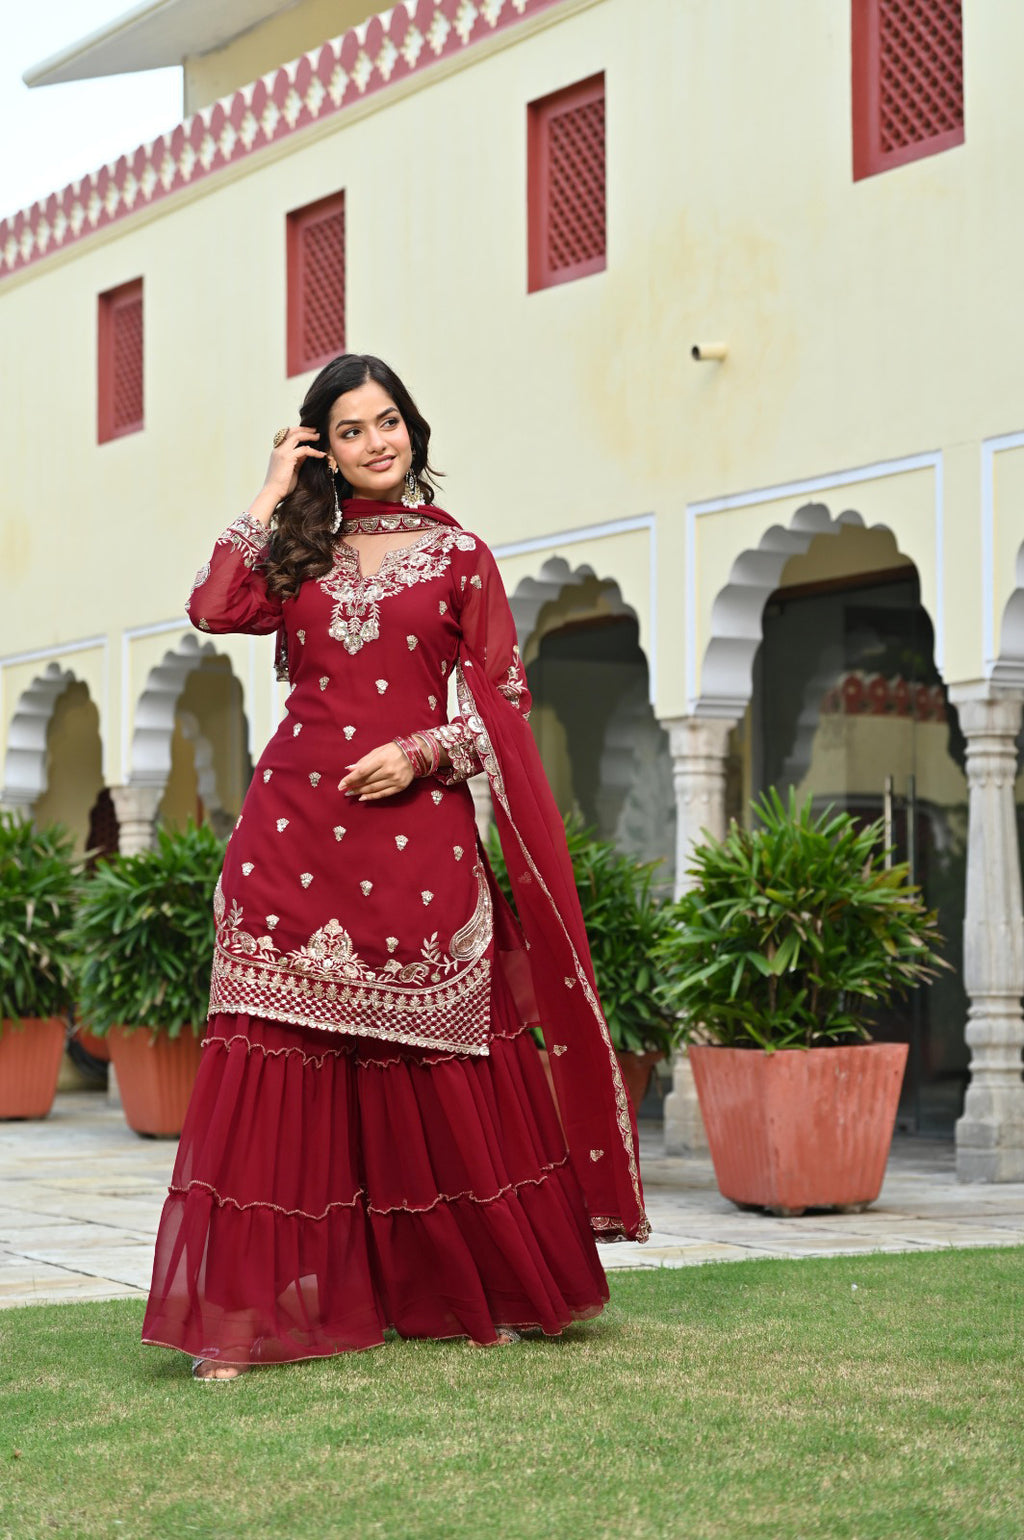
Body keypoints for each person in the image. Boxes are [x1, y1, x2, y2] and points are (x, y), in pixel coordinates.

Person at [141, 353, 648, 1380]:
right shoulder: (299, 554)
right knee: (274, 1068)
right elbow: (214, 605)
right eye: (351, 429)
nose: (377, 442)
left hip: (415, 839)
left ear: (413, 429)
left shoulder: (462, 557)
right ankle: (241, 1320)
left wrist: (421, 753)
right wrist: (274, 488)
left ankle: (471, 1289)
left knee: (437, 1065)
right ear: (324, 442)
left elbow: (500, 703)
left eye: (389, 422)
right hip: (293, 829)